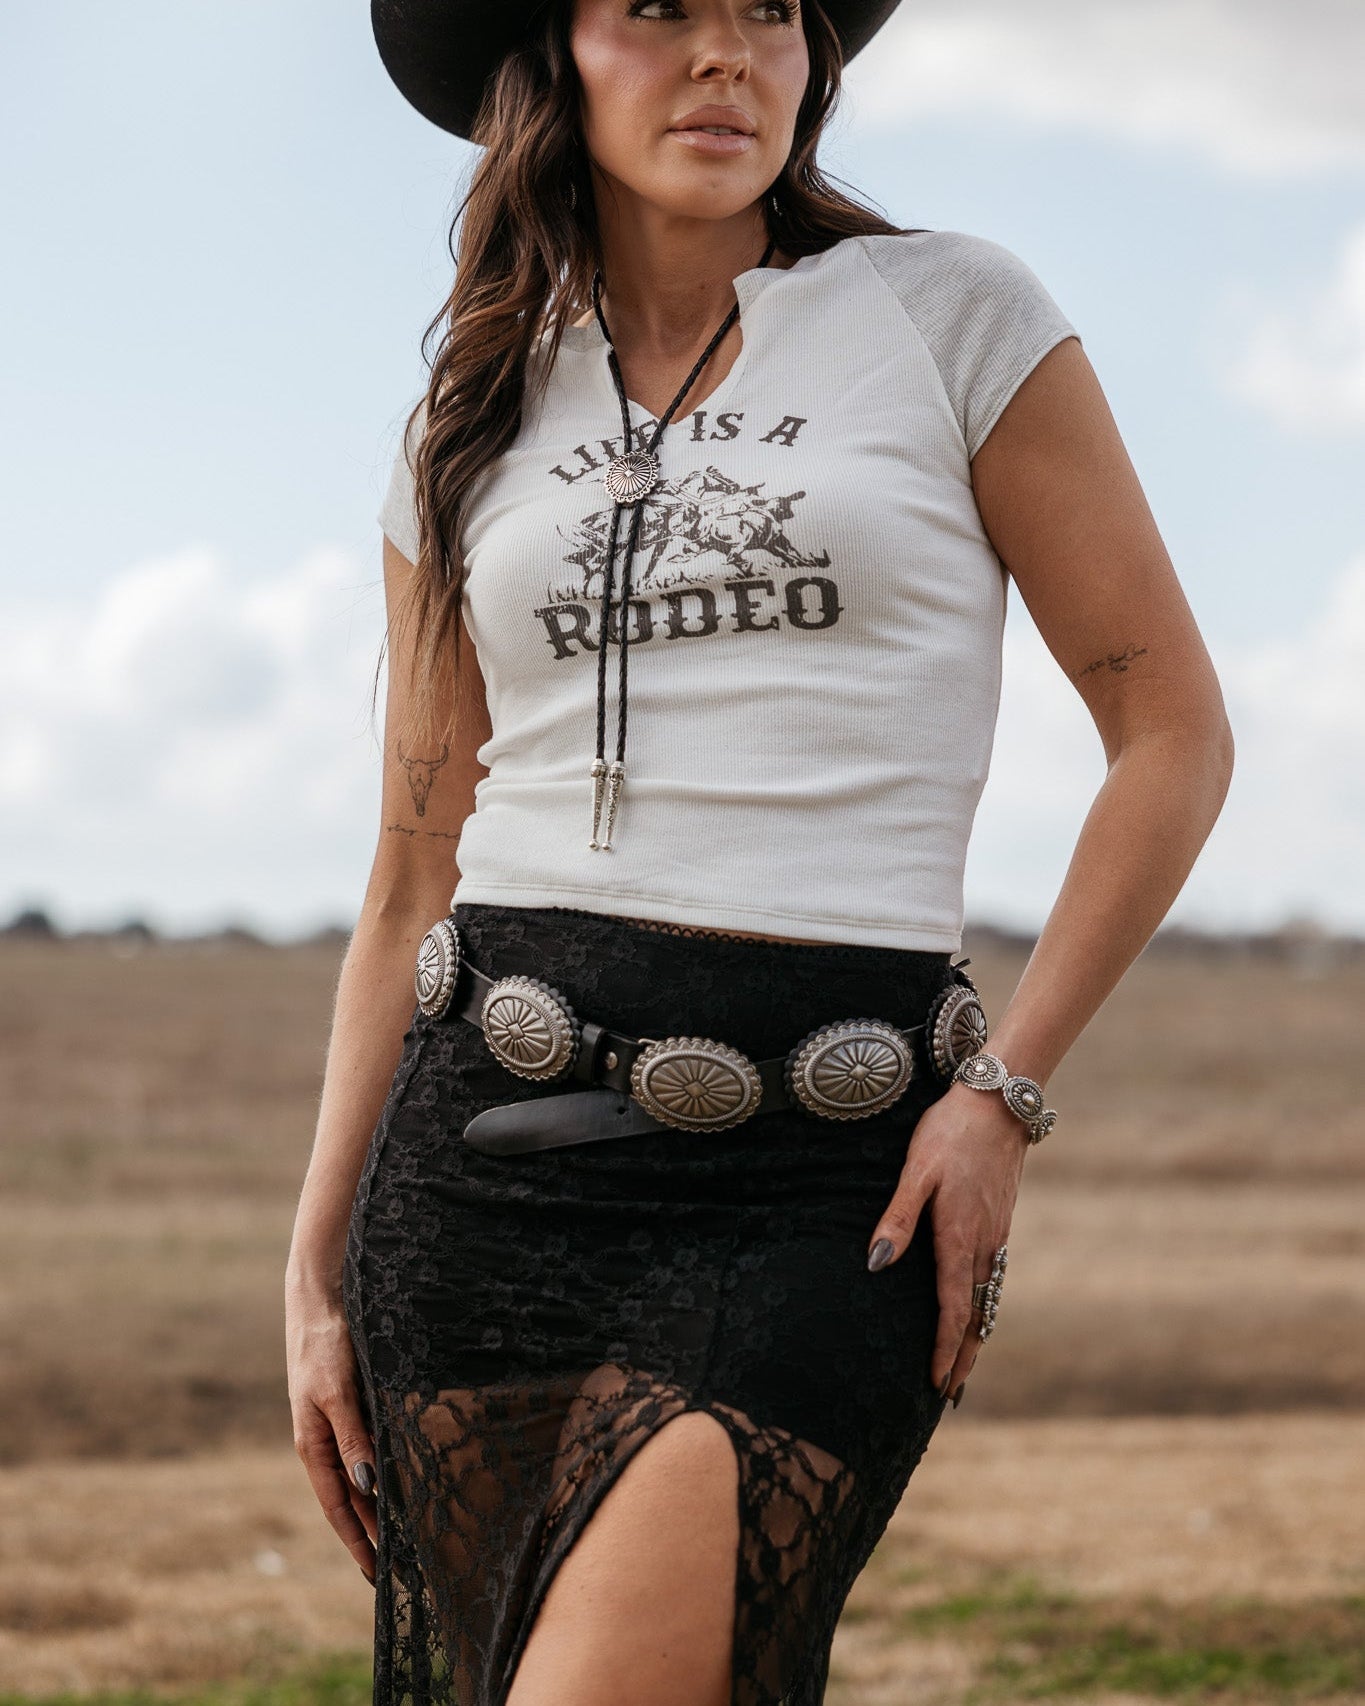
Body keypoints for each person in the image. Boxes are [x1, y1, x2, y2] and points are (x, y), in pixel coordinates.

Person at [285, 0, 1235, 1702]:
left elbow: (1168, 734)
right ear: (553, 56)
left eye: (769, 13)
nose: (726, 54)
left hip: (822, 1186)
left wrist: (1004, 1092)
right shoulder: (472, 401)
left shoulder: (952, 317)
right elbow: (410, 868)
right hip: (470, 1168)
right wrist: (313, 1257)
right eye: (660, 7)